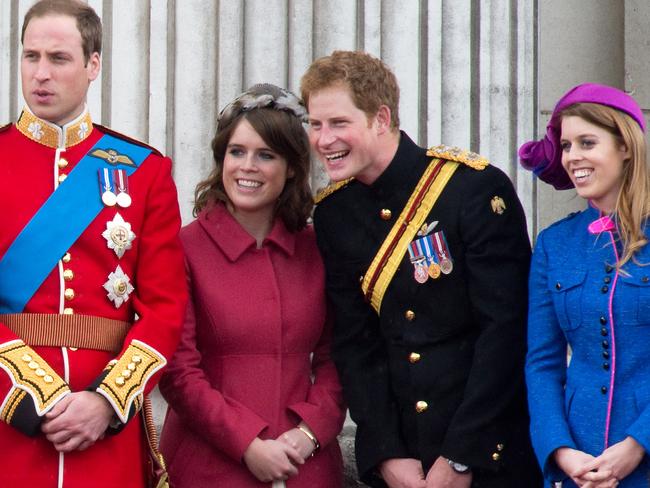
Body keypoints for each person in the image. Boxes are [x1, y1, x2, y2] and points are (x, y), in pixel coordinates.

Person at [300, 50, 541, 488]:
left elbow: (506, 331)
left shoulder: (471, 189)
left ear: (380, 118)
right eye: (315, 124)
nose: (322, 139)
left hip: (488, 456)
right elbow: (356, 346)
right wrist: (387, 454)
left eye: (338, 123)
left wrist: (463, 457)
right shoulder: (336, 213)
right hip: (405, 463)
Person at [0, 1, 187, 486]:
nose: (40, 73)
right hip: (8, 429)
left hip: (106, 431)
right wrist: (32, 396)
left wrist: (106, 401)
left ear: (93, 65)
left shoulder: (144, 171)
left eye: (58, 58)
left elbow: (165, 308)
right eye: (30, 56)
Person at [159, 83, 346, 488]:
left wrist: (308, 432)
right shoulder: (183, 247)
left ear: (292, 166)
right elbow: (178, 371)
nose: (247, 166)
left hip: (306, 466)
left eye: (266, 155)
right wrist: (247, 444)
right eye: (237, 152)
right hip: (209, 465)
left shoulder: (319, 248)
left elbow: (339, 356)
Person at [521, 83, 650, 487]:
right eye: (566, 145)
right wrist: (560, 451)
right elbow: (541, 363)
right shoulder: (554, 244)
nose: (573, 156)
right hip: (579, 462)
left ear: (625, 146)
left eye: (587, 142)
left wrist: (638, 443)